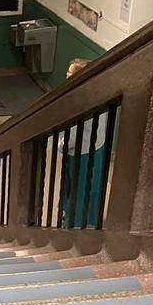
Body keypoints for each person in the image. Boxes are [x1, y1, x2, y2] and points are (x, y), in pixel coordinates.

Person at [58, 58, 108, 227]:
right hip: (97, 147)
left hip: (80, 154)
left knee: (76, 191)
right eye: (67, 74)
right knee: (90, 188)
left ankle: (75, 224)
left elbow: (71, 137)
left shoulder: (77, 102)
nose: (67, 78)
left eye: (70, 75)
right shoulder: (99, 93)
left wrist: (61, 145)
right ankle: (89, 221)